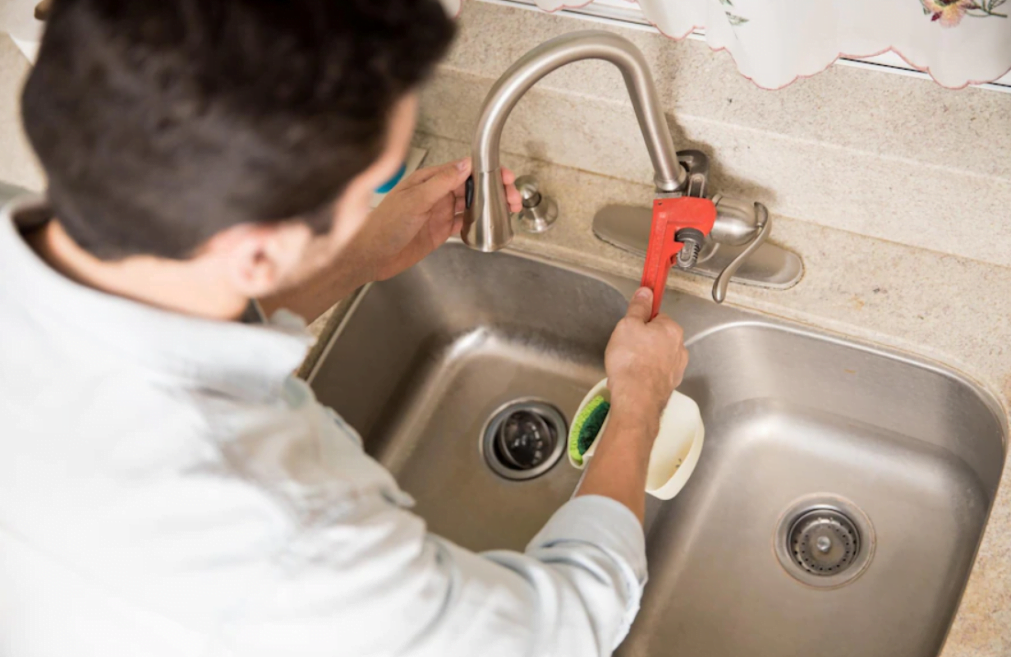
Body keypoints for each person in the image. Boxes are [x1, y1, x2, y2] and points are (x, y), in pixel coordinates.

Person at [0, 1, 689, 656]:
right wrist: (637, 404)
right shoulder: (285, 532)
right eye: (369, 189)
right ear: (258, 248)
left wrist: (354, 252)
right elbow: (559, 629)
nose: (370, 204)